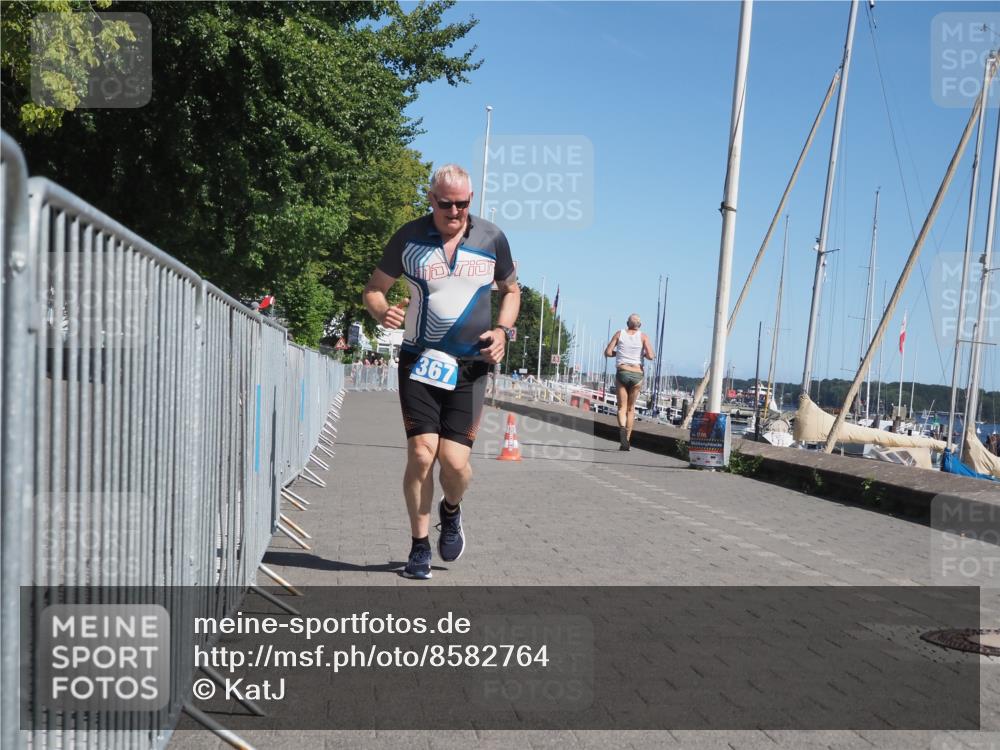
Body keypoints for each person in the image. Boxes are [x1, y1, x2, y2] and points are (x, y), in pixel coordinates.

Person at [362, 164, 520, 579]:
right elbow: (374, 290)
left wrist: (503, 331)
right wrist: (383, 311)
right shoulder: (408, 237)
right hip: (420, 360)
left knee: (454, 462)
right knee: (420, 453)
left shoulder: (492, 238)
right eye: (446, 203)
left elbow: (511, 291)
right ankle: (418, 546)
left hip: (471, 365)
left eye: (463, 204)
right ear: (431, 199)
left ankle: (451, 510)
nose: (455, 212)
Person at [604, 314, 655, 451]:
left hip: (623, 372)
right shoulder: (643, 336)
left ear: (627, 323)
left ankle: (622, 428)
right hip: (637, 374)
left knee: (622, 408)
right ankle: (626, 439)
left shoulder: (619, 334)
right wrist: (642, 355)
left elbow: (608, 352)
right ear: (640, 325)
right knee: (631, 409)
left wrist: (618, 353)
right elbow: (651, 356)